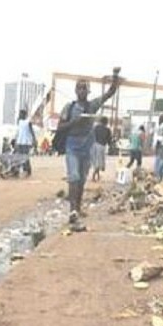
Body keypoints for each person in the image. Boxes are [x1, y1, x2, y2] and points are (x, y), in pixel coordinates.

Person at [58, 68, 121, 230]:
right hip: (72, 144)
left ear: (88, 91)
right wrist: (75, 122)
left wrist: (115, 76)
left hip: (87, 146)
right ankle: (72, 211)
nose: (81, 90)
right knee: (73, 176)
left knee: (81, 180)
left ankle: (77, 208)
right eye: (79, 87)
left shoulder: (92, 105)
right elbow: (61, 127)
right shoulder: (69, 108)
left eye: (84, 88)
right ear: (75, 90)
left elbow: (110, 92)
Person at [15, 108, 37, 175]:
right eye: (19, 114)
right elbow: (18, 132)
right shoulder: (19, 121)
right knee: (19, 156)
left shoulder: (28, 122)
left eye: (21, 114)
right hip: (19, 141)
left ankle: (27, 170)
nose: (20, 115)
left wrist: (34, 140)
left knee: (25, 157)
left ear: (24, 115)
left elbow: (32, 132)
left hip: (26, 142)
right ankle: (18, 169)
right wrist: (15, 140)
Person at [91, 116, 113, 181]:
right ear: (106, 122)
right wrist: (110, 146)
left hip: (93, 146)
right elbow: (109, 140)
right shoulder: (107, 130)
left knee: (96, 162)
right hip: (101, 146)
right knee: (99, 162)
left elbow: (91, 136)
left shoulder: (95, 128)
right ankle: (93, 176)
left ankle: (97, 176)